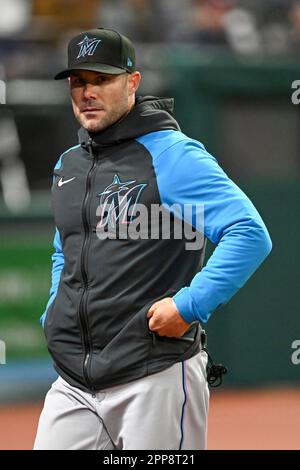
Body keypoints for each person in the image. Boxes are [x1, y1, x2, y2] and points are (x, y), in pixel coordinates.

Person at [34, 27, 272, 450]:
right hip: (73, 381)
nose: (87, 92)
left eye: (101, 80)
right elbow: (65, 245)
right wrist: (57, 305)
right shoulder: (69, 163)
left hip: (153, 375)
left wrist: (188, 306)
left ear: (133, 82)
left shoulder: (173, 154)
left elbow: (249, 233)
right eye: (78, 81)